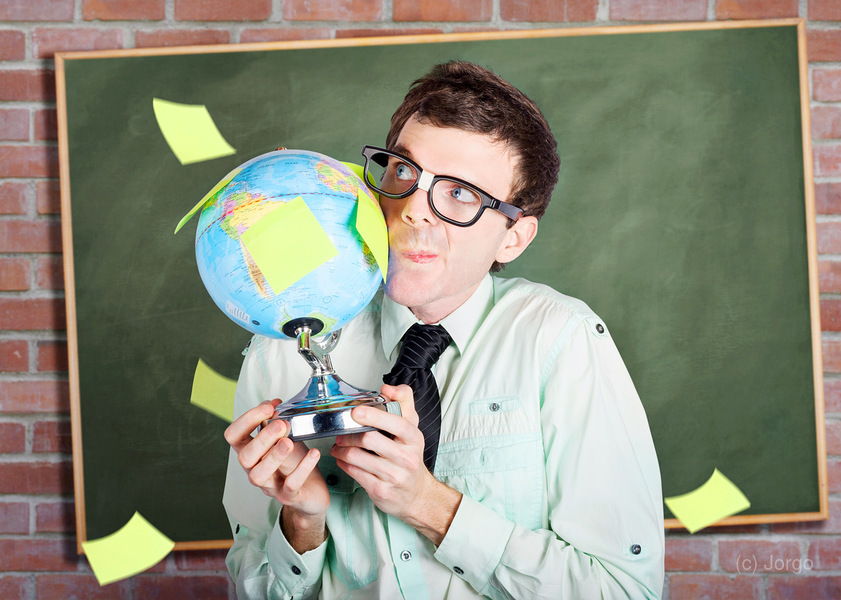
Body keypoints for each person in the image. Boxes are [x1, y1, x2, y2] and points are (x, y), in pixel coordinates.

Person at [223, 60, 664, 599]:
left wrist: (423, 502)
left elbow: (626, 590)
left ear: (513, 240)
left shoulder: (561, 341)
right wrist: (303, 524)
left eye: (460, 194)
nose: (412, 210)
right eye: (404, 172)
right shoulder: (285, 349)